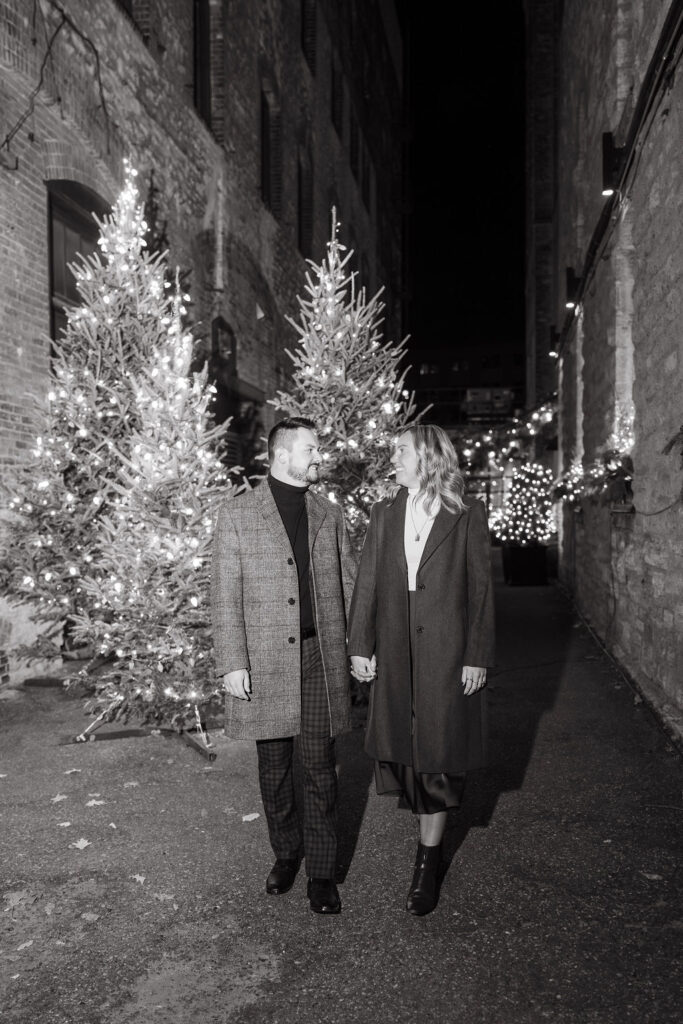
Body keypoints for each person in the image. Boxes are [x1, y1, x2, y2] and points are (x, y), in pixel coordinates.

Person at [211, 417, 357, 915]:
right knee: (274, 771)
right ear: (281, 454)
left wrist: (360, 647)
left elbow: (349, 584)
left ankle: (321, 872)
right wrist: (233, 661)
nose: (319, 457)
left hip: (320, 655)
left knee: (319, 767)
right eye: (311, 450)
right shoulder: (236, 516)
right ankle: (286, 853)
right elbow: (225, 595)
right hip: (266, 658)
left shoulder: (329, 514)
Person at [347, 424, 495, 916]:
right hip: (394, 641)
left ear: (427, 457)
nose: (394, 458)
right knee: (406, 746)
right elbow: (367, 581)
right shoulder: (384, 512)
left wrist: (476, 654)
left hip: (447, 647)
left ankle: (426, 865)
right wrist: (359, 645)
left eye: (401, 451)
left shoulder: (465, 513)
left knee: (437, 751)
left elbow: (480, 590)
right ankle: (427, 848)